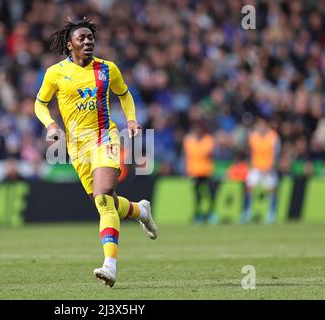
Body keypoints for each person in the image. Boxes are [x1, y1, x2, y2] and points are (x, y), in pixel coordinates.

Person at [34, 17, 158, 287]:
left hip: (106, 137)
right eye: (82, 38)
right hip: (77, 148)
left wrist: (132, 120)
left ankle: (109, 266)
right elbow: (40, 104)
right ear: (70, 45)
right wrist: (51, 124)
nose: (88, 42)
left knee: (102, 199)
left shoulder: (107, 69)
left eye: (91, 38)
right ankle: (141, 211)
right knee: (108, 202)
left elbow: (124, 94)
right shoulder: (55, 73)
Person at [242, 115, 280, 224]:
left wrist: (272, 165)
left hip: (269, 168)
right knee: (249, 188)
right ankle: (247, 212)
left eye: (263, 124)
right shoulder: (252, 136)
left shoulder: (273, 136)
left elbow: (276, 152)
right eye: (259, 125)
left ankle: (271, 213)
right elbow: (248, 152)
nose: (261, 127)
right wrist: (249, 164)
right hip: (256, 167)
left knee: (271, 190)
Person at [183, 121, 216, 224]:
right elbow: (189, 156)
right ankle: (198, 214)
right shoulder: (188, 140)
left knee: (209, 194)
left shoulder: (208, 139)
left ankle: (210, 213)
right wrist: (189, 171)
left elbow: (205, 153)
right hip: (195, 172)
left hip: (206, 171)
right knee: (197, 196)